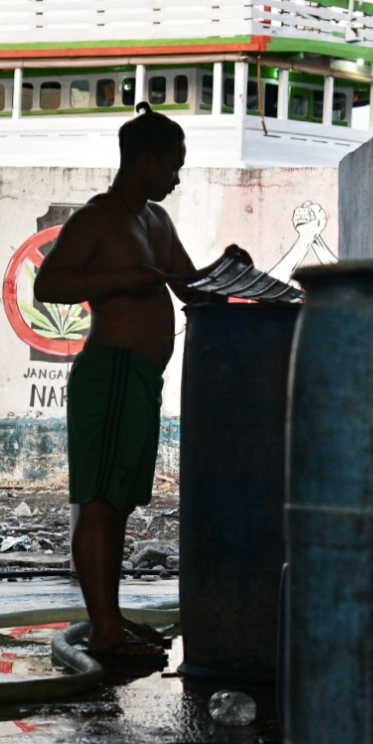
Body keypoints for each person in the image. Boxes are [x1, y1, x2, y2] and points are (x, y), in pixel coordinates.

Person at [34, 103, 235, 663]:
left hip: (142, 377)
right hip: (111, 371)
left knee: (117, 502)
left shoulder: (156, 221)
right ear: (144, 161)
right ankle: (103, 628)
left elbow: (191, 287)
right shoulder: (98, 219)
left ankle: (112, 621)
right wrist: (128, 277)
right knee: (99, 501)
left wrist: (228, 267)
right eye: (173, 166)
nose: (176, 178)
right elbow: (49, 285)